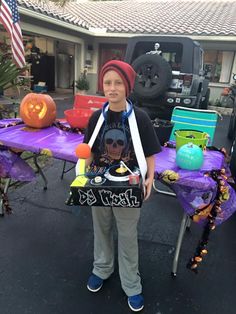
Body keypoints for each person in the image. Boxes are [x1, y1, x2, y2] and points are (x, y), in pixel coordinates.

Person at [83, 60, 161, 312]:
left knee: (127, 236)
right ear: (102, 86)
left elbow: (150, 152)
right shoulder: (97, 117)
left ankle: (131, 283)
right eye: (107, 83)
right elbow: (90, 150)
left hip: (129, 184)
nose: (112, 88)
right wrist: (83, 172)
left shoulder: (140, 118)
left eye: (118, 83)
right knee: (101, 228)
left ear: (127, 87)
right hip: (100, 183)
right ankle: (102, 268)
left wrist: (150, 177)